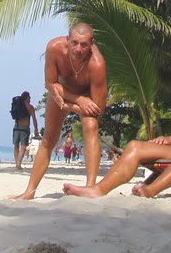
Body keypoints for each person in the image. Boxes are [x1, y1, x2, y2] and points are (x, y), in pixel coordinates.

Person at [12, 22, 107, 199]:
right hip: (60, 91)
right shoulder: (54, 48)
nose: (78, 49)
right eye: (74, 43)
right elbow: (50, 83)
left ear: (92, 43)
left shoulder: (97, 64)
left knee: (91, 126)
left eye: (84, 44)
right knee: (49, 138)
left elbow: (99, 107)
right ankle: (29, 191)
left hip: (87, 95)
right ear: (68, 39)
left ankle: (90, 187)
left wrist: (82, 101)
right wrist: (77, 101)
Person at [12, 90, 39, 170]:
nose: (30, 98)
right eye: (29, 97)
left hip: (16, 127)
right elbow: (34, 119)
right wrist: (36, 129)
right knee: (23, 146)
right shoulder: (30, 107)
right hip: (24, 128)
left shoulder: (18, 105)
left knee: (16, 145)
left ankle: (17, 162)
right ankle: (18, 163)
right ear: (26, 98)